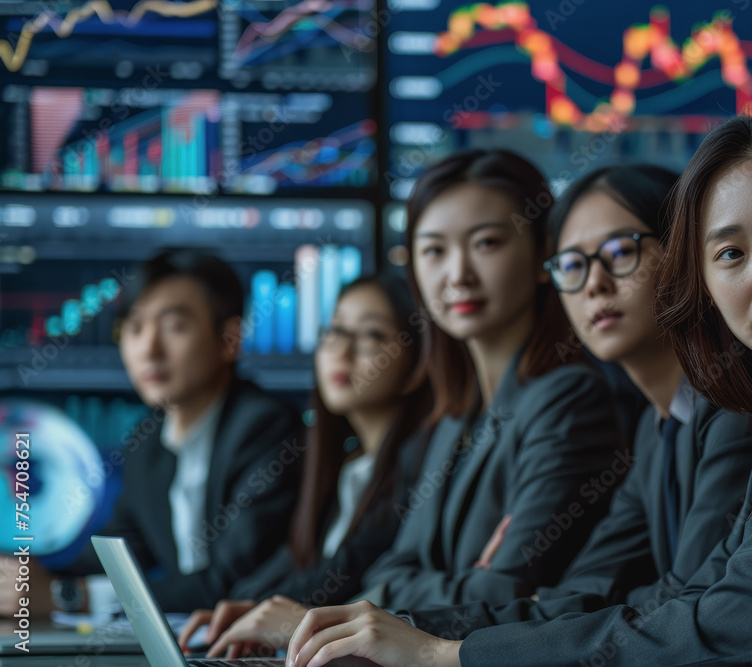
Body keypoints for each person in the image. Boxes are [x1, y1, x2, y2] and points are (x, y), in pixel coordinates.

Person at [282, 113, 752, 667]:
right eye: (730, 254)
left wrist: (448, 655)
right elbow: (687, 597)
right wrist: (425, 637)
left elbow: (734, 626)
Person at [199, 149, 626, 656]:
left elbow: (501, 592)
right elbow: (394, 567)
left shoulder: (566, 398)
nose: (458, 274)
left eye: (486, 243)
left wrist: (398, 600)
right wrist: (443, 582)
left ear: (542, 258)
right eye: (433, 250)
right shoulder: (453, 418)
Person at [394, 164, 752, 639]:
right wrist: (402, 625)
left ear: (686, 253)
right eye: (572, 264)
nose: (595, 284)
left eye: (619, 252)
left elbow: (691, 601)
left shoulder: (731, 404)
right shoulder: (658, 428)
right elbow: (585, 592)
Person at [0, 249, 303, 615]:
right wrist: (21, 580)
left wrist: (70, 596)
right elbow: (115, 554)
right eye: (135, 327)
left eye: (174, 326)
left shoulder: (266, 428)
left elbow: (232, 585)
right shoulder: (149, 441)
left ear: (229, 339)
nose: (149, 349)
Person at [177, 274, 433, 657]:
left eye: (370, 336)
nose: (340, 352)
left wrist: (274, 614)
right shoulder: (343, 469)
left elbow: (342, 572)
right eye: (334, 332)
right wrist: (240, 611)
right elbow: (292, 565)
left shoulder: (422, 467)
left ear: (419, 356)